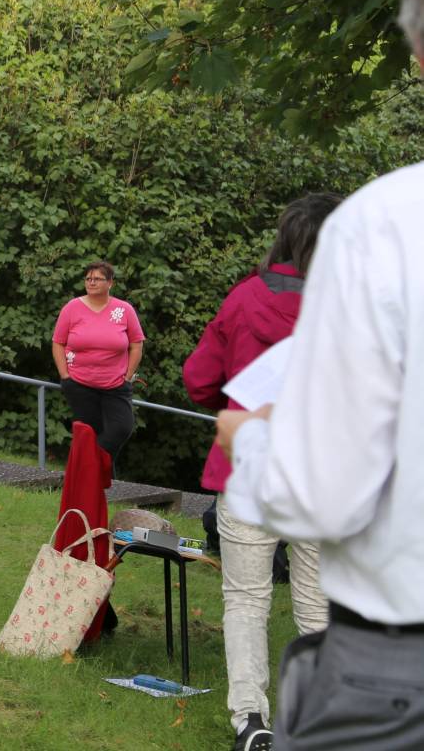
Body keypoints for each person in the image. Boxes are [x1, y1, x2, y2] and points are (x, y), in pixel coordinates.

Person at [217, 0, 424, 751]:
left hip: (398, 638)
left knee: (255, 599)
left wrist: (251, 438)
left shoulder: (383, 231)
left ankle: (252, 717)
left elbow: (329, 486)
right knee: (304, 601)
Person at [186, 195, 339, 750]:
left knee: (246, 599)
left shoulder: (244, 299)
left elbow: (200, 380)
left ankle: (251, 721)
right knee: (319, 603)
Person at [51, 261, 145, 466]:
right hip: (79, 383)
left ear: (110, 283)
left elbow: (136, 345)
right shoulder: (72, 308)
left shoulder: (124, 310)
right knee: (90, 432)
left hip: (116, 384)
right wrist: (65, 375)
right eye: (88, 279)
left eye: (97, 279)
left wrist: (128, 376)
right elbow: (57, 343)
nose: (91, 282)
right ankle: (99, 481)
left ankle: (85, 468)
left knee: (121, 428)